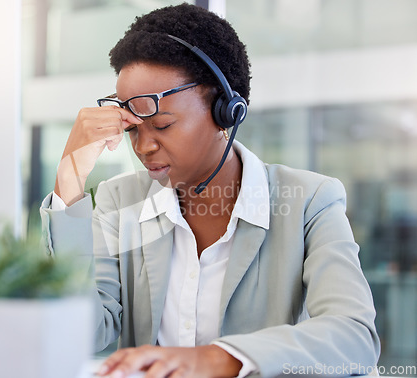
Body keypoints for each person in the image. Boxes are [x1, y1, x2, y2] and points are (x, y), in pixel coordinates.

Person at [40, 4, 380, 377]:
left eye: (163, 125)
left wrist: (217, 358)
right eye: (133, 129)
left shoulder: (309, 202)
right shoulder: (120, 201)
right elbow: (81, 333)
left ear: (226, 112)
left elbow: (354, 337)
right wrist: (69, 181)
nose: (142, 147)